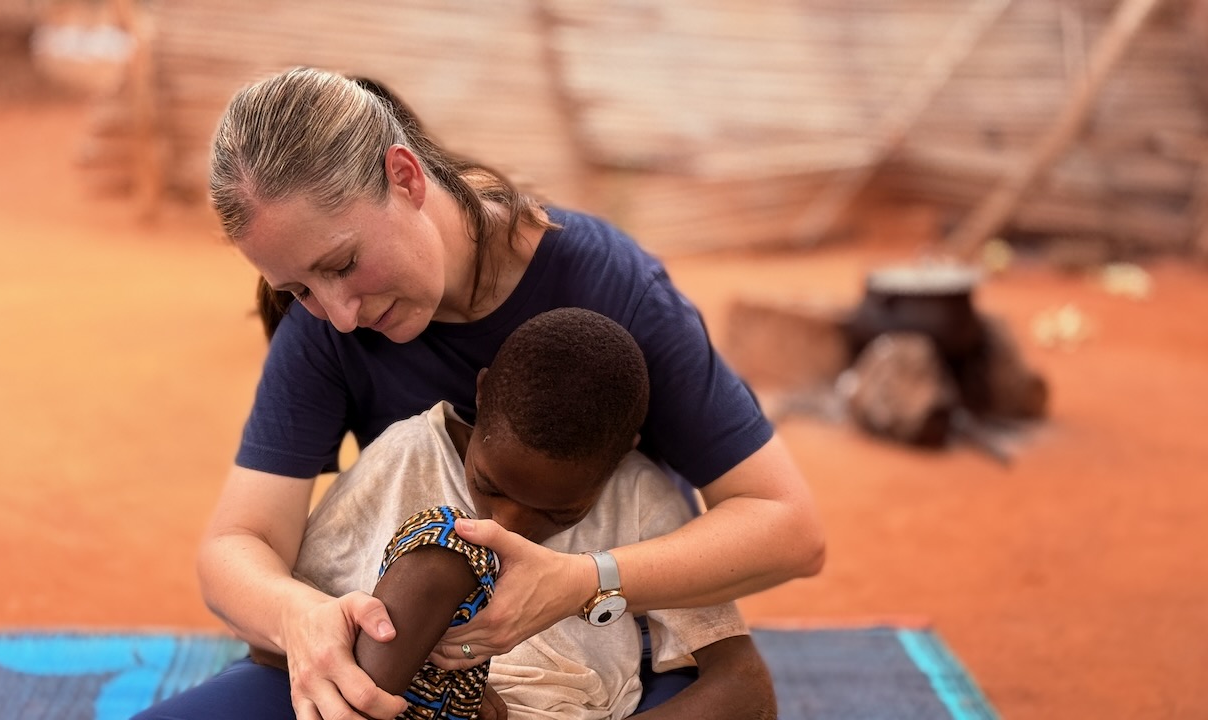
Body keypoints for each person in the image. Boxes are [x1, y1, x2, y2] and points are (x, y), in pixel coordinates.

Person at [136, 67, 824, 720]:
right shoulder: (329, 336)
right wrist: (300, 618)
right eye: (298, 289)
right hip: (406, 658)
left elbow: (788, 527)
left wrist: (584, 580)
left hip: (604, 653)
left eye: (342, 264)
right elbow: (237, 545)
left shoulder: (615, 292)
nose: (339, 315)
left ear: (405, 176)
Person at [250, 307, 775, 719]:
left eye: (558, 513)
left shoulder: (639, 498)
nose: (507, 527)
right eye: (489, 485)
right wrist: (436, 686)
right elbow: (283, 637)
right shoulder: (408, 456)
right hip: (392, 705)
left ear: (618, 458)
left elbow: (744, 685)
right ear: (481, 396)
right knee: (448, 547)